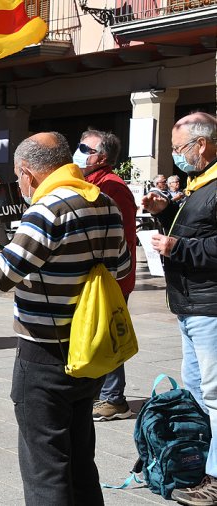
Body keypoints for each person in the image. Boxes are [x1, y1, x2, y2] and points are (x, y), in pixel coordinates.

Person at [0, 132, 130, 504]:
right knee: (81, 461)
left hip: (45, 355)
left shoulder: (47, 209)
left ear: (28, 173)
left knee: (45, 470)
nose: (20, 184)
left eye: (19, 178)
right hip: (91, 351)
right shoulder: (105, 203)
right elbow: (122, 266)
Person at [142, 112, 217, 506]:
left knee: (216, 394)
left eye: (179, 148)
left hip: (210, 307)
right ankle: (201, 463)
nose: (176, 157)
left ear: (201, 144)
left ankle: (216, 478)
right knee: (198, 392)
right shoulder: (197, 185)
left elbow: (205, 244)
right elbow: (196, 230)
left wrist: (178, 248)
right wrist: (164, 213)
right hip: (190, 305)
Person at [73, 129, 138, 422]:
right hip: (96, 275)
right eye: (80, 147)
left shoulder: (113, 187)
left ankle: (114, 399)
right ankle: (103, 393)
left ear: (104, 157)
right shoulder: (90, 183)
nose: (80, 153)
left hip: (110, 276)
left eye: (87, 149)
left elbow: (118, 237)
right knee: (97, 332)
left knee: (107, 332)